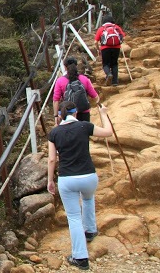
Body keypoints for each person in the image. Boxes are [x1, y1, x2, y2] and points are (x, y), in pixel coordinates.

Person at [47, 101, 113, 270]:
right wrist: (103, 113)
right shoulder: (84, 126)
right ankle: (90, 230)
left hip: (67, 178)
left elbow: (52, 159)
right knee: (88, 199)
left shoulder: (54, 133)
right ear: (75, 113)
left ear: (60, 115)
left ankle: (80, 257)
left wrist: (49, 181)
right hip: (88, 176)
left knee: (74, 217)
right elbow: (107, 132)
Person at [53, 57, 100, 123]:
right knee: (84, 132)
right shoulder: (84, 79)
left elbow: (56, 100)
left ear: (65, 67)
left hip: (68, 113)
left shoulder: (60, 81)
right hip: (84, 112)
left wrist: (56, 116)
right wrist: (99, 106)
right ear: (76, 66)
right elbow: (95, 96)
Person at [95, 14, 126, 86]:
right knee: (114, 64)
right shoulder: (117, 27)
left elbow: (95, 42)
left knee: (105, 64)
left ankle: (108, 74)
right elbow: (123, 37)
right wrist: (119, 43)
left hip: (105, 48)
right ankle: (115, 82)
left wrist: (98, 49)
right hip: (116, 47)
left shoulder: (101, 29)